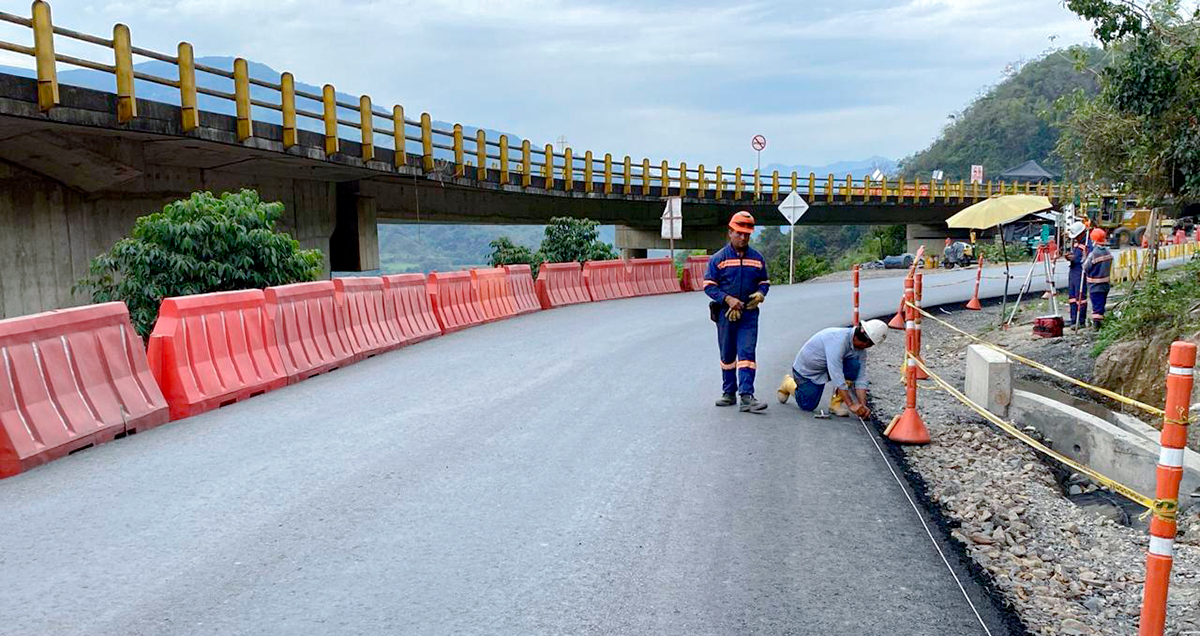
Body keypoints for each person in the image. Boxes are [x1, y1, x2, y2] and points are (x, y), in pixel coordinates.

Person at [704, 211, 770, 413]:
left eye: (747, 234)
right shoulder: (719, 259)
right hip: (726, 314)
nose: (743, 237)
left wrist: (760, 294)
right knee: (727, 354)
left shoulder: (757, 259)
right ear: (730, 232)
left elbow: (764, 282)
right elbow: (708, 285)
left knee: (747, 353)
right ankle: (728, 393)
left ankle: (747, 396)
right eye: (739, 233)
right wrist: (728, 299)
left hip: (749, 314)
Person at [776, 320, 888, 417]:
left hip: (826, 369)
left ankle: (835, 404)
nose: (869, 347)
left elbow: (860, 377)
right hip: (807, 372)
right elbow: (837, 375)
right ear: (866, 342)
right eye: (871, 345)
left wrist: (862, 406)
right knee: (807, 405)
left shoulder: (860, 351)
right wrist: (851, 405)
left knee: (854, 366)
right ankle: (788, 383)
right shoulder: (838, 341)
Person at [1081, 227, 1113, 329]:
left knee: (1096, 306)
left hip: (1095, 285)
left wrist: (1084, 258)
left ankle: (1097, 326)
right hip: (1105, 284)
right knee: (1101, 304)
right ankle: (1100, 322)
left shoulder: (1094, 254)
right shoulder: (1108, 252)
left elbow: (1085, 267)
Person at [1064, 220, 1088, 327]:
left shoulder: (1088, 243)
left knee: (1080, 297)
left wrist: (1076, 259)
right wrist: (1070, 257)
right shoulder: (1077, 243)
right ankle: (1073, 319)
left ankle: (1080, 320)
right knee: (1072, 296)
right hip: (1073, 270)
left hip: (1080, 271)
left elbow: (1088, 258)